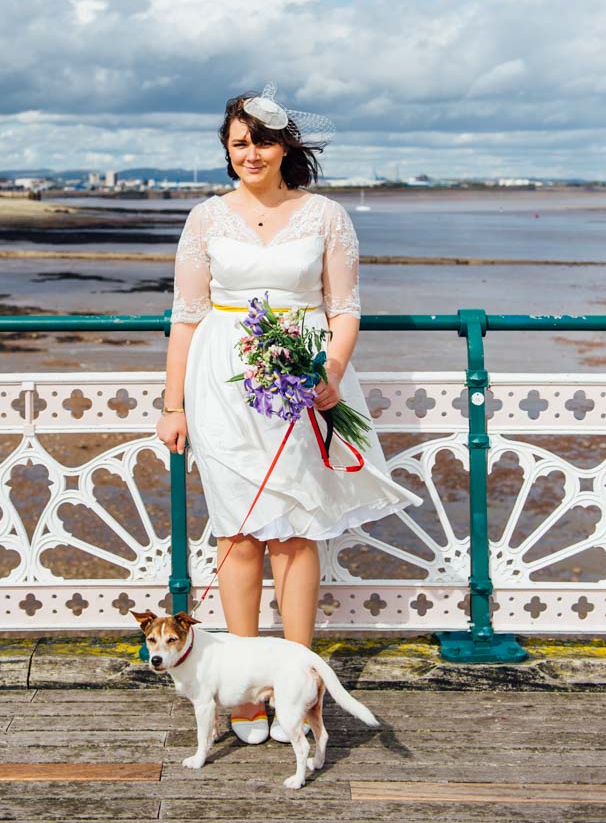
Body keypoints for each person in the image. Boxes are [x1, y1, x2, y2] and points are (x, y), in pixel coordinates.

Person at [156, 85, 420, 744]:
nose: (251, 153)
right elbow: (186, 318)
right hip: (221, 384)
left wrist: (327, 376)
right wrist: (172, 403)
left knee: (295, 534)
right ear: (226, 149)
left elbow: (345, 307)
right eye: (239, 143)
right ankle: (245, 694)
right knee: (237, 533)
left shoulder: (325, 215)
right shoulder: (205, 219)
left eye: (263, 141)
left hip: (301, 380)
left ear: (285, 146)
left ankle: (298, 694)